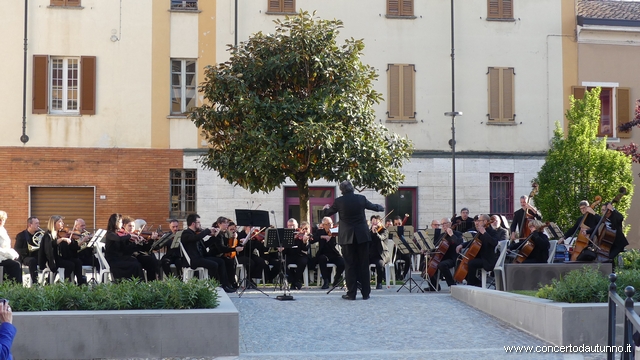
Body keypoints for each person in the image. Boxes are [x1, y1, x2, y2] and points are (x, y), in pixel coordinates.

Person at [322, 180, 385, 300]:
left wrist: (325, 209)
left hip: (347, 238)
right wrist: (381, 207)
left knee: (350, 265)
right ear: (352, 188)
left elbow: (329, 212)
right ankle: (366, 293)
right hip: (362, 236)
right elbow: (373, 207)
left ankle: (351, 293)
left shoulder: (339, 201)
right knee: (363, 264)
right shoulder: (361, 198)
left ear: (341, 190)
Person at [180, 214, 235, 293]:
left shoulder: (196, 233)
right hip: (193, 260)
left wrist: (215, 237)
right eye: (198, 222)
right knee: (214, 264)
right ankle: (213, 285)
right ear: (193, 223)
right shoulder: (186, 233)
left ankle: (224, 285)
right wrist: (207, 231)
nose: (200, 224)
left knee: (221, 261)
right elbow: (196, 238)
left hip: (200, 257)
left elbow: (204, 245)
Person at [455, 214, 498, 287]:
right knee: (460, 261)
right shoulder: (480, 232)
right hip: (479, 257)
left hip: (487, 259)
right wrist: (462, 245)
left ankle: (471, 285)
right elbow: (473, 241)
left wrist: (485, 233)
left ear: (485, 221)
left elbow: (494, 243)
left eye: (479, 221)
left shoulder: (492, 232)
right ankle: (477, 282)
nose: (477, 223)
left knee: (471, 263)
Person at [104, 213, 144, 280]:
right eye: (120, 222)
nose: (122, 224)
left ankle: (138, 282)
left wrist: (136, 243)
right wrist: (130, 236)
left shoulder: (117, 234)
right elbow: (119, 239)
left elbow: (124, 248)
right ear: (116, 222)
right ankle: (132, 282)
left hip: (119, 257)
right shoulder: (110, 234)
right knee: (135, 265)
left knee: (135, 261)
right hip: (113, 260)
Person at [426, 218, 463, 290]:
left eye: (444, 223)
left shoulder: (457, 234)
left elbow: (459, 243)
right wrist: (427, 250)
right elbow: (434, 246)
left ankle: (452, 285)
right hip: (441, 257)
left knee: (442, 265)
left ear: (450, 224)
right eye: (441, 224)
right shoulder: (442, 235)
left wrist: (451, 235)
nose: (443, 226)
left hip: (452, 258)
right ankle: (433, 286)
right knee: (427, 264)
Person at [312, 217, 345, 290]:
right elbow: (312, 240)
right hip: (323, 254)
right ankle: (326, 281)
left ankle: (336, 279)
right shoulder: (320, 232)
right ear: (323, 225)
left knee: (342, 263)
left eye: (331, 224)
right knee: (322, 259)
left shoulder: (336, 231)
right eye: (327, 224)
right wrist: (322, 237)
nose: (330, 226)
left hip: (334, 254)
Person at [599, 203, 628, 267]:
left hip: (618, 244)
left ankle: (612, 273)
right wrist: (587, 231)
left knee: (609, 258)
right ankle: (611, 273)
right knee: (607, 258)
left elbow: (621, 217)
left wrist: (613, 209)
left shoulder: (615, 216)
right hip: (610, 243)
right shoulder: (604, 219)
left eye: (603, 210)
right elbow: (596, 227)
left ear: (608, 210)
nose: (602, 212)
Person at [14, 217, 42, 284]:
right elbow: (17, 249)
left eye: (38, 223)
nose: (39, 225)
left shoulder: (40, 234)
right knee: (32, 261)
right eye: (36, 223)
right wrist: (28, 250)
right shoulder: (21, 235)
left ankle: (49, 281)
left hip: (37, 256)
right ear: (30, 225)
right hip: (25, 257)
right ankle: (35, 283)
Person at [284, 221, 310, 290]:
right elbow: (284, 251)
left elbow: (305, 249)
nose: (291, 227)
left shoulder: (302, 234)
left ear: (297, 226)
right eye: (289, 225)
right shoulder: (285, 235)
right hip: (289, 255)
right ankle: (295, 281)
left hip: (300, 255)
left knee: (303, 262)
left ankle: (294, 282)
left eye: (293, 225)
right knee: (281, 262)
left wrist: (305, 242)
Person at [368, 215, 389, 290]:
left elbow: (381, 238)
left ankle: (379, 282)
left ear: (381, 222)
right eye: (373, 223)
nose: (374, 225)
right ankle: (363, 282)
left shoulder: (384, 231)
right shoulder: (369, 232)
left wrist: (376, 233)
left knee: (380, 264)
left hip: (381, 255)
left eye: (376, 223)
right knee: (361, 262)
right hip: (371, 255)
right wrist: (371, 232)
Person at [0, 212, 22, 284]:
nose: (1, 221)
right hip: (1, 257)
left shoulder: (3, 230)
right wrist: (9, 255)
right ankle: (15, 287)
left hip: (4, 256)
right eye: (0, 220)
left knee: (18, 262)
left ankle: (13, 286)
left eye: (3, 220)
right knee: (15, 265)